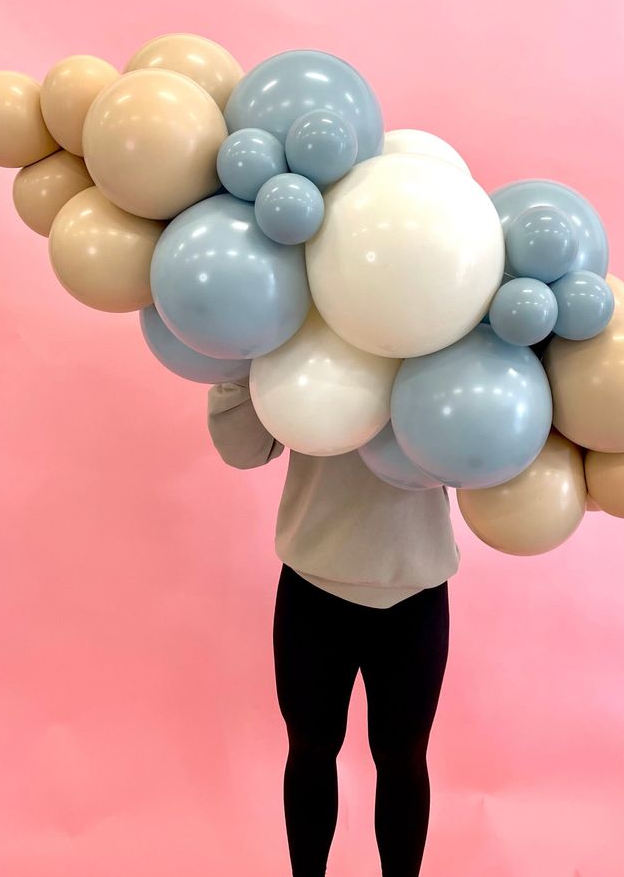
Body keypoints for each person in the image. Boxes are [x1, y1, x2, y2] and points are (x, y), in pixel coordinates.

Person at [207, 376, 461, 877]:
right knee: (309, 751)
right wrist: (239, 363)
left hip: (415, 589)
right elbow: (244, 448)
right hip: (313, 586)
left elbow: (490, 451)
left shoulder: (450, 327)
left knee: (404, 760)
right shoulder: (304, 332)